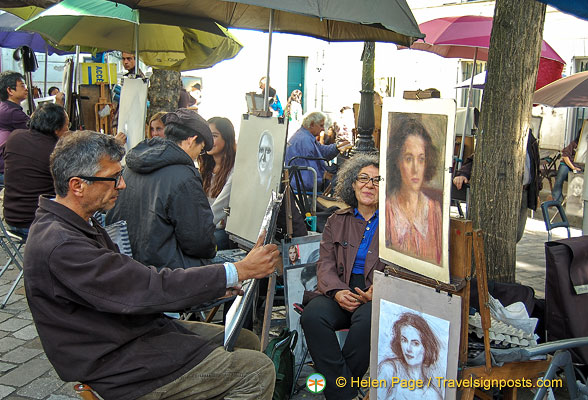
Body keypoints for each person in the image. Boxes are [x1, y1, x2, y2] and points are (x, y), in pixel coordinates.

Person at [24, 130, 279, 400]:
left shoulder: (77, 222)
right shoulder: (62, 244)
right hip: (116, 363)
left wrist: (213, 286)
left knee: (246, 340)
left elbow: (136, 280)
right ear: (77, 186)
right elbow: (144, 287)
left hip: (129, 334)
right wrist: (238, 270)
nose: (121, 185)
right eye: (113, 178)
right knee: (256, 371)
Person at [300, 154, 386, 400]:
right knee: (313, 316)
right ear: (353, 184)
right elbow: (324, 262)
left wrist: (380, 290)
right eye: (363, 178)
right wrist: (337, 291)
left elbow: (401, 268)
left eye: (377, 180)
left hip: (374, 292)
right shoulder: (337, 220)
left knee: (370, 320)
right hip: (338, 287)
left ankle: (338, 393)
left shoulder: (394, 225)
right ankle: (346, 394)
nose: (369, 185)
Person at [106, 109, 217, 270]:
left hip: (127, 262)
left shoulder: (131, 165)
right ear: (192, 140)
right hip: (165, 273)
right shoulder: (185, 176)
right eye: (201, 150)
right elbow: (199, 241)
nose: (197, 156)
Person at [453, 129, 540, 243]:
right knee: (499, 234)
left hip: (524, 191)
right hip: (503, 191)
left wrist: (536, 192)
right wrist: (463, 173)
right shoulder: (501, 134)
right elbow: (477, 157)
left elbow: (535, 167)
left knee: (517, 235)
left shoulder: (530, 138)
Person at [3, 103, 69, 239]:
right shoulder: (56, 151)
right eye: (67, 126)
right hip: (37, 225)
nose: (68, 130)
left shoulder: (15, 137)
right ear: (56, 129)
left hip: (11, 219)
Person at [385, 118, 442, 265]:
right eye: (409, 159)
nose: (416, 169)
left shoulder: (434, 211)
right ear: (397, 161)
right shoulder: (388, 209)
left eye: (421, 159)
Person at [378, 312, 443, 400]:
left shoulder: (432, 394)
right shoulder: (389, 370)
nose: (408, 348)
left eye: (415, 343)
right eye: (404, 340)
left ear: (426, 348)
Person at [197, 116, 237, 250]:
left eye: (214, 136)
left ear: (226, 138)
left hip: (222, 230)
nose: (209, 140)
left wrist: (197, 229)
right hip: (204, 226)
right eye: (206, 136)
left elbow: (220, 207)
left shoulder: (234, 169)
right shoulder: (205, 167)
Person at [286, 111, 349, 191]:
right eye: (321, 125)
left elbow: (321, 151)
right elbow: (310, 171)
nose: (323, 129)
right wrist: (323, 176)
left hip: (300, 180)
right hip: (302, 182)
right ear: (312, 124)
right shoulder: (304, 140)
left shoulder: (305, 136)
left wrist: (337, 147)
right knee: (341, 183)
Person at [0, 71, 30, 184]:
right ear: (10, 90)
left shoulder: (5, 107)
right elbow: (41, 129)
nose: (26, 88)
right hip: (6, 170)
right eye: (22, 85)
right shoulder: (12, 112)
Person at [552, 133, 582, 203]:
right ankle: (557, 199)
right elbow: (565, 156)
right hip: (568, 165)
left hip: (580, 167)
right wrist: (573, 167)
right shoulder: (574, 143)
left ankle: (578, 202)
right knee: (560, 177)